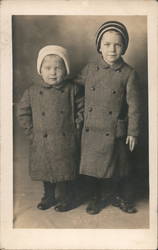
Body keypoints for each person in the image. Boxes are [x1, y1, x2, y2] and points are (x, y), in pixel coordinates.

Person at [75, 21, 141, 215]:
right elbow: (75, 87)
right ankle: (97, 198)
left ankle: (118, 197)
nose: (112, 49)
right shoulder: (90, 69)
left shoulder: (129, 73)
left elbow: (135, 106)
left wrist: (133, 131)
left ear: (124, 47)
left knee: (118, 169)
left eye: (118, 44)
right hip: (91, 128)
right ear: (99, 46)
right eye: (107, 44)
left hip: (114, 130)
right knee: (94, 169)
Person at [17, 45, 84, 212]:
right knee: (46, 172)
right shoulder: (32, 91)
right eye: (47, 68)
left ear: (66, 70)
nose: (52, 72)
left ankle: (68, 198)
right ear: (40, 70)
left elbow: (83, 108)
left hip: (66, 139)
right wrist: (31, 132)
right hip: (43, 141)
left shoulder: (72, 89)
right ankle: (48, 196)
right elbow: (22, 112)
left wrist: (77, 124)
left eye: (58, 68)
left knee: (66, 171)